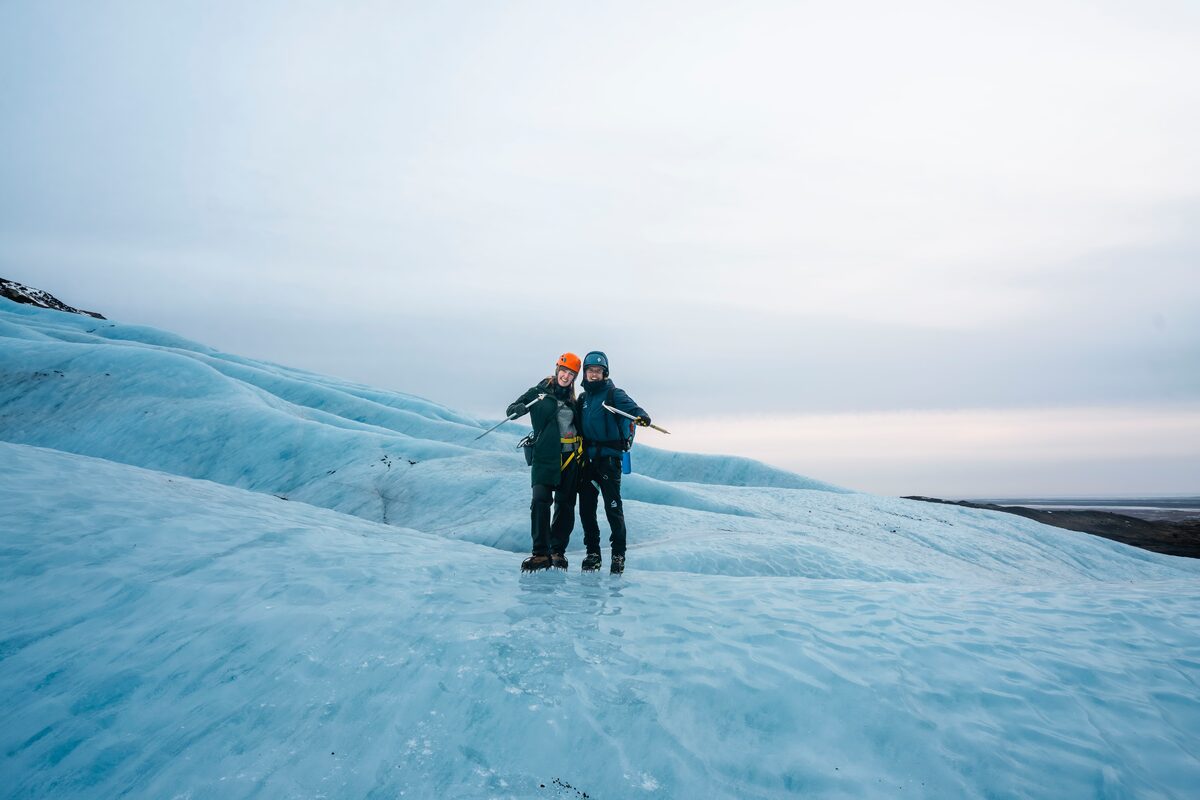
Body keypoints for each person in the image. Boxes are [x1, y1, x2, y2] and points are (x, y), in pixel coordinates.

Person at [507, 353, 584, 572]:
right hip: (545, 457)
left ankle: (557, 552)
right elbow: (512, 409)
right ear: (557, 369)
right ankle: (540, 554)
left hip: (570, 457)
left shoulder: (573, 401)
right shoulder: (538, 393)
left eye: (571, 374)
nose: (566, 376)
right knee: (540, 502)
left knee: (566, 504)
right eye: (564, 371)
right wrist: (517, 409)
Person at [576, 351, 650, 574]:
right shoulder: (583, 399)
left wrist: (642, 416)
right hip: (588, 460)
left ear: (604, 373)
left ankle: (618, 555)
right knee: (587, 509)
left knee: (613, 507)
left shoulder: (614, 394)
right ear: (585, 373)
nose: (594, 374)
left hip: (609, 459)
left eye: (598, 371)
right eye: (590, 371)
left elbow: (633, 409)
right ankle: (593, 554)